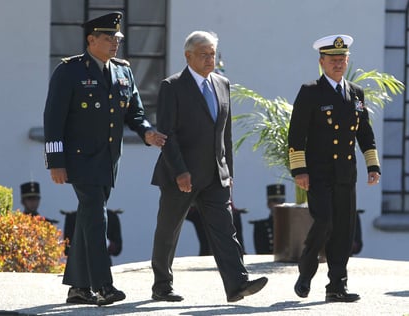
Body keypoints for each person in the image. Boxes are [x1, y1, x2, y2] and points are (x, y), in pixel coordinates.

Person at [43, 12, 166, 306]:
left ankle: (78, 289)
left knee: (89, 218)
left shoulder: (123, 71)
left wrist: (147, 132)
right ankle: (103, 285)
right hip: (79, 159)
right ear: (91, 40)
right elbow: (53, 119)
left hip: (109, 160)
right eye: (109, 38)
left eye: (118, 38)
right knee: (98, 217)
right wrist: (55, 161)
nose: (115, 43)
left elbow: (135, 112)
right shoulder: (69, 71)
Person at [150, 30, 268, 303]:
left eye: (212, 54)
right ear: (188, 56)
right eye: (204, 54)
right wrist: (180, 171)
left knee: (225, 229)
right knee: (169, 230)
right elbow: (167, 134)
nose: (209, 59)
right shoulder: (172, 86)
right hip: (181, 174)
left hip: (216, 174)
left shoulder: (222, 84)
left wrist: (229, 174)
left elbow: (225, 135)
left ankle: (237, 284)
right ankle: (162, 285)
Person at [288, 34, 381, 303]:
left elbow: (364, 132)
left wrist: (371, 165)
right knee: (325, 221)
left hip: (345, 172)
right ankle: (306, 272)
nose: (338, 64)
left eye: (342, 59)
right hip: (318, 172)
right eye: (333, 60)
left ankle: (337, 286)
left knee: (343, 228)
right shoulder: (310, 91)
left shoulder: (355, 93)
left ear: (347, 61)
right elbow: (296, 136)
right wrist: (299, 170)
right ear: (322, 62)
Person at [250, 184, 285, 254]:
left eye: (282, 201)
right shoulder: (261, 226)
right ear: (268, 204)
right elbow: (260, 252)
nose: (279, 204)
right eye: (275, 200)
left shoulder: (289, 225)